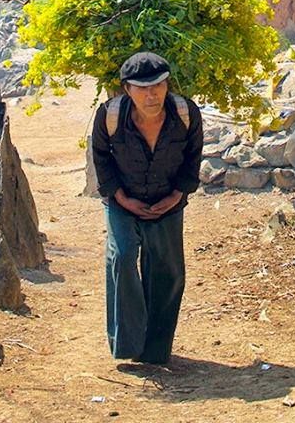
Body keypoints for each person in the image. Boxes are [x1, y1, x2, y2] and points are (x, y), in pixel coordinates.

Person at [92, 51, 203, 365]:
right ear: (128, 90)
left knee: (167, 270)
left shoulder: (186, 113)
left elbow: (194, 157)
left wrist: (178, 195)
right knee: (123, 255)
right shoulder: (110, 116)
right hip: (122, 201)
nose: (151, 94)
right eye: (142, 88)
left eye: (158, 85)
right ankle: (128, 344)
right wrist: (121, 198)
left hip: (168, 199)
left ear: (168, 85)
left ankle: (155, 350)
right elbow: (100, 157)